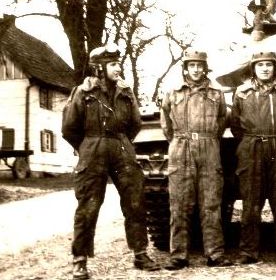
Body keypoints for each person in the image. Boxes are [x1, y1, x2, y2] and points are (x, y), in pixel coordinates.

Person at [62, 44, 159, 280]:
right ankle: (80, 260)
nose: (119, 68)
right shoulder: (83, 92)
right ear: (99, 68)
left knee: (135, 201)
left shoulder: (126, 92)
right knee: (88, 206)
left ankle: (140, 253)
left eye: (119, 63)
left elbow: (135, 123)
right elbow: (69, 128)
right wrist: (86, 148)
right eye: (113, 64)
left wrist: (121, 142)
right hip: (93, 149)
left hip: (121, 147)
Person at [230, 51, 276, 265]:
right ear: (253, 68)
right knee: (251, 201)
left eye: (269, 65)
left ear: (275, 67)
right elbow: (236, 124)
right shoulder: (242, 92)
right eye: (260, 65)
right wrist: (250, 141)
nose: (265, 68)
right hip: (251, 146)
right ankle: (248, 250)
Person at [160, 48, 232, 269]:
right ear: (185, 68)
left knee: (211, 202)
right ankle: (178, 255)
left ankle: (215, 253)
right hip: (180, 147)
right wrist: (180, 140)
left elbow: (222, 121)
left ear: (205, 68)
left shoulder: (216, 93)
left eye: (200, 65)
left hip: (208, 146)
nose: (196, 69)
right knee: (179, 203)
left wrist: (206, 138)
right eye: (192, 65)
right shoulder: (173, 92)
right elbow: (166, 124)